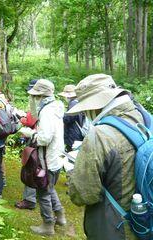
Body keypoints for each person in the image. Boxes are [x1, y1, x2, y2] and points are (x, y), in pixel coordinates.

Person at [67, 74, 140, 240]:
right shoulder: (143, 118)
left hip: (116, 226)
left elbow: (83, 194)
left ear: (95, 105)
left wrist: (73, 170)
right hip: (143, 219)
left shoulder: (100, 135)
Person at [20, 79, 67, 235]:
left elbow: (44, 138)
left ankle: (48, 225)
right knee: (50, 187)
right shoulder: (55, 107)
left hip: (47, 158)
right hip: (56, 156)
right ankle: (60, 216)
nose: (33, 98)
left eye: (35, 96)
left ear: (41, 96)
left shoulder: (47, 111)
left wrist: (30, 133)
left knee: (43, 191)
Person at [15, 79, 38, 210]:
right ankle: (37, 197)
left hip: (35, 140)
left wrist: (22, 119)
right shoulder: (49, 106)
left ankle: (30, 199)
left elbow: (30, 120)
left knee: (31, 168)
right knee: (39, 170)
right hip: (40, 141)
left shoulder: (38, 105)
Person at [58, 84, 85, 152]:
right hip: (78, 132)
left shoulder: (73, 103)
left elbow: (68, 119)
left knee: (71, 153)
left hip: (73, 134)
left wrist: (61, 115)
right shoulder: (79, 102)